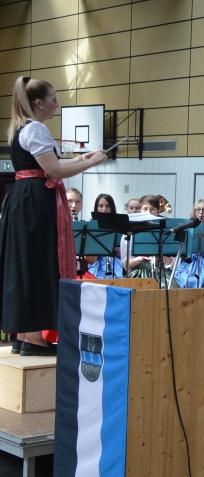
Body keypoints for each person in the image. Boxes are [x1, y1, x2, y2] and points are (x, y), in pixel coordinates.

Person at [0, 76, 107, 355]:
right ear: (39, 102)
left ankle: (23, 334)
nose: (56, 104)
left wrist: (81, 159)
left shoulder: (21, 127)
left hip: (24, 199)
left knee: (26, 263)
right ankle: (33, 338)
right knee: (37, 263)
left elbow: (50, 164)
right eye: (53, 99)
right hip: (35, 202)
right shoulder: (36, 128)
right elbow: (54, 170)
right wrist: (92, 163)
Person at [173, 199, 204, 288]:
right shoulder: (186, 226)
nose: (201, 213)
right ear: (194, 212)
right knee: (187, 278)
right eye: (198, 209)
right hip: (190, 261)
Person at [85, 194, 124, 279]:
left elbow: (124, 254)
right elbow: (90, 260)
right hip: (96, 265)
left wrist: (113, 250)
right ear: (96, 208)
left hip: (115, 264)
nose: (104, 209)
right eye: (100, 206)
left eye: (108, 206)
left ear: (112, 208)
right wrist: (102, 248)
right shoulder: (90, 226)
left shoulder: (120, 226)